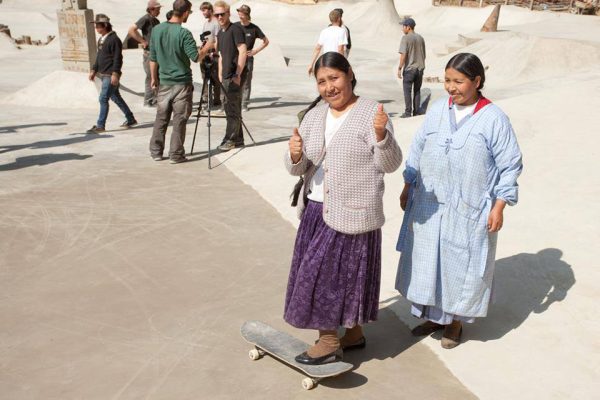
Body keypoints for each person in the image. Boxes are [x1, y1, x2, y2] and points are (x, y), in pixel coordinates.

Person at [395, 53, 523, 349]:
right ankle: (433, 317)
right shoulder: (438, 110)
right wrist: (407, 184)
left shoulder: (494, 119)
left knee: (458, 265)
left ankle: (453, 324)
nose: (451, 87)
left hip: (468, 209)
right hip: (429, 204)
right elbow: (418, 146)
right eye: (447, 80)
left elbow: (510, 164)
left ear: (477, 81)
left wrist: (500, 205)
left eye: (458, 81)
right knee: (429, 263)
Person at [284, 52, 402, 365]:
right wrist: (295, 155)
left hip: (355, 210)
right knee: (345, 276)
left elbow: (389, 164)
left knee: (324, 277)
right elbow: (298, 169)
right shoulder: (314, 116)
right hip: (316, 211)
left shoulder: (371, 113)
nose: (328, 87)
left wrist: (382, 136)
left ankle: (328, 339)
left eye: (334, 78)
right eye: (321, 82)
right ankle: (354, 334)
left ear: (349, 74)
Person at [148, 0, 199, 164]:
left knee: (161, 118)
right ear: (185, 13)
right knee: (179, 119)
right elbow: (196, 56)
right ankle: (175, 155)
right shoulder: (184, 33)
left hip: (164, 82)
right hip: (182, 83)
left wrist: (154, 78)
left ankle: (156, 151)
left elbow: (153, 57)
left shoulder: (157, 30)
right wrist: (208, 46)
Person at [87, 14, 137, 134]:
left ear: (105, 26)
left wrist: (115, 73)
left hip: (110, 74)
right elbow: (99, 56)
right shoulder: (102, 39)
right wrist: (94, 69)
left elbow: (117, 58)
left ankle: (100, 125)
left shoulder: (114, 40)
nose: (96, 28)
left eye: (98, 26)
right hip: (104, 73)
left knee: (103, 98)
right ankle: (130, 118)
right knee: (116, 97)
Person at [214, 0, 247, 152]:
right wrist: (220, 74)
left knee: (231, 110)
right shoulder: (220, 33)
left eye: (222, 14)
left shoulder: (235, 29)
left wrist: (238, 73)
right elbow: (220, 55)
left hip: (234, 75)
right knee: (231, 108)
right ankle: (238, 139)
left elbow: (242, 50)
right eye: (217, 15)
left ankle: (230, 140)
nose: (219, 17)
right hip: (225, 77)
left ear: (228, 14)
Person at [234, 4, 269, 112]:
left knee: (246, 81)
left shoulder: (254, 28)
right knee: (233, 78)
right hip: (235, 58)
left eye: (242, 12)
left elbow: (266, 41)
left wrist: (255, 51)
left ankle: (244, 103)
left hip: (248, 58)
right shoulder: (234, 26)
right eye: (239, 11)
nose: (239, 14)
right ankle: (234, 101)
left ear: (247, 14)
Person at [128, 0, 162, 107]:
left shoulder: (155, 21)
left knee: (157, 75)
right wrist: (142, 41)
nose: (159, 11)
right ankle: (149, 100)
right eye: (157, 9)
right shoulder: (146, 18)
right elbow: (131, 29)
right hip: (149, 53)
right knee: (150, 76)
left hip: (156, 52)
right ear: (151, 9)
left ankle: (156, 99)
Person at [397, 18, 426, 118]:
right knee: (417, 90)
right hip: (420, 69)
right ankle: (416, 112)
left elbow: (404, 54)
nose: (402, 29)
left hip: (410, 69)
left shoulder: (405, 38)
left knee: (407, 91)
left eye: (403, 26)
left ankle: (408, 112)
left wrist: (400, 68)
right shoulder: (421, 38)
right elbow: (424, 55)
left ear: (408, 27)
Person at [307, 9, 348, 76]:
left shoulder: (324, 31)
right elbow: (340, 49)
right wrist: (343, 64)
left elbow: (317, 48)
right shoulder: (341, 31)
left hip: (325, 61)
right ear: (339, 18)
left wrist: (311, 65)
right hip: (335, 61)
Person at [199, 1, 222, 113]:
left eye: (204, 10)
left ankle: (217, 100)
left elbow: (218, 39)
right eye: (202, 10)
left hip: (213, 54)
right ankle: (207, 100)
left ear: (210, 10)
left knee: (215, 79)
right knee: (205, 78)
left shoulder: (215, 23)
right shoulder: (206, 23)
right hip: (205, 53)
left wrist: (215, 53)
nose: (203, 13)